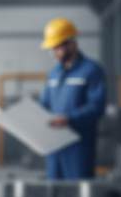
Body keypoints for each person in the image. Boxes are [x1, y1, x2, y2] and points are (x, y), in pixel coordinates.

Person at [39, 18, 107, 180]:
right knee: (54, 193)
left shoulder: (91, 70)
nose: (53, 53)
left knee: (78, 192)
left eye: (56, 47)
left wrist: (68, 119)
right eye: (51, 48)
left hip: (79, 146)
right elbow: (44, 104)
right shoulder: (54, 73)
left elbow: (97, 106)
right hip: (54, 145)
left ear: (71, 44)